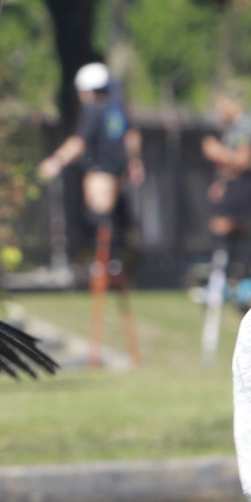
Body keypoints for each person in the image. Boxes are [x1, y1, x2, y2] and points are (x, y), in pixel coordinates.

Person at [36, 62, 147, 368]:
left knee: (95, 215)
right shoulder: (118, 109)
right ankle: (114, 255)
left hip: (101, 173)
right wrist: (135, 164)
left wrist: (56, 161)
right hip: (118, 176)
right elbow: (132, 139)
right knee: (112, 219)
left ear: (86, 90)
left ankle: (102, 255)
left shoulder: (94, 111)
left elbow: (79, 142)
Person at [201, 87, 251, 311]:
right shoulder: (233, 126)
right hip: (234, 182)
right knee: (233, 230)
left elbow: (242, 160)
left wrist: (217, 151)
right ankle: (233, 282)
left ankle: (230, 283)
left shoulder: (246, 124)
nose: (219, 110)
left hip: (245, 183)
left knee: (226, 226)